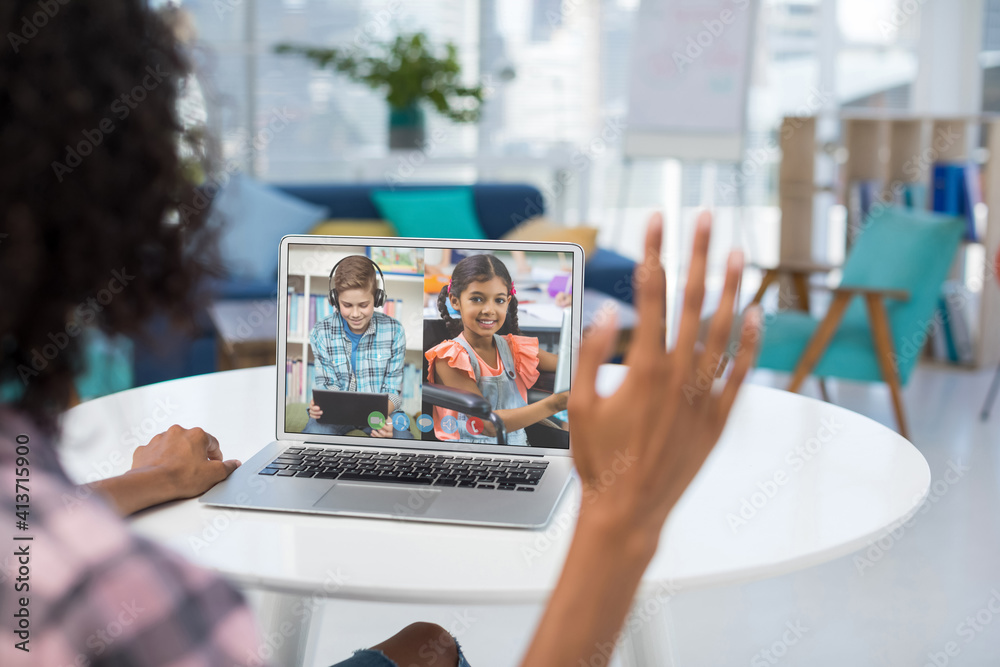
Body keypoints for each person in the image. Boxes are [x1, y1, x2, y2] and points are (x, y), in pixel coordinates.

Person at [0, 1, 760, 665]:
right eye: (477, 303)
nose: (489, 314)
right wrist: (621, 521)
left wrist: (157, 480)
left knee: (428, 641)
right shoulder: (159, 616)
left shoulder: (483, 352)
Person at [425, 254, 568, 445]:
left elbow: (567, 364)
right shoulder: (450, 358)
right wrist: (554, 403)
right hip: (469, 461)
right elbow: (488, 425)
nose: (489, 310)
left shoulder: (515, 348)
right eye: (477, 299)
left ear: (508, 301)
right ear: (455, 301)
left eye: (499, 301)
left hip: (519, 453)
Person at [304, 255, 413, 439]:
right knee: (315, 434)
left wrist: (382, 418)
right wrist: (320, 403)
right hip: (336, 413)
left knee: (402, 437)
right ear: (335, 299)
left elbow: (393, 390)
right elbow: (327, 385)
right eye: (347, 305)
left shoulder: (394, 331)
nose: (355, 314)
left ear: (377, 298)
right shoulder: (320, 332)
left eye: (363, 305)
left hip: (381, 413)